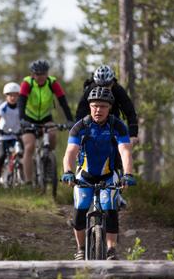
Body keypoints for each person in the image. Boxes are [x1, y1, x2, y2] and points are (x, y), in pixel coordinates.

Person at [61, 86, 136, 260]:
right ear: (89, 106)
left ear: (109, 107)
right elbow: (70, 152)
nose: (98, 110)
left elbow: (125, 151)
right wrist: (68, 171)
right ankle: (80, 249)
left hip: (108, 175)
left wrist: (128, 174)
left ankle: (111, 250)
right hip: (84, 176)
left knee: (110, 210)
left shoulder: (117, 125)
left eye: (102, 106)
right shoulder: (80, 127)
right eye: (94, 106)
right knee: (79, 212)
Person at [18, 59, 74, 184]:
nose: (41, 77)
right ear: (33, 74)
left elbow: (63, 102)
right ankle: (28, 181)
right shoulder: (27, 83)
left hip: (45, 117)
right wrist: (22, 119)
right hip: (28, 118)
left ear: (47, 74)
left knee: (53, 135)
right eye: (38, 74)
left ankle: (49, 160)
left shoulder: (52, 83)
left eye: (43, 73)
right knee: (29, 146)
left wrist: (70, 120)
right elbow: (21, 102)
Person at [75, 65, 139, 143]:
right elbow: (81, 112)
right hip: (92, 123)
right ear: (95, 83)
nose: (103, 89)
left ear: (112, 82)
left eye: (106, 86)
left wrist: (133, 134)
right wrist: (78, 132)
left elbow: (130, 111)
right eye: (100, 86)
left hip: (113, 122)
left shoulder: (118, 90)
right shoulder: (90, 89)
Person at [0, 82, 21, 185]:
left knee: (22, 153)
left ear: (18, 95)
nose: (13, 97)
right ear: (6, 96)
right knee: (1, 155)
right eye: (10, 95)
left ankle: (20, 176)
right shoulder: (2, 107)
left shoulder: (21, 107)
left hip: (16, 135)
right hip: (3, 136)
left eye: (15, 95)